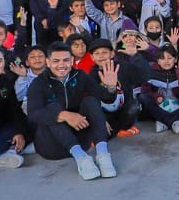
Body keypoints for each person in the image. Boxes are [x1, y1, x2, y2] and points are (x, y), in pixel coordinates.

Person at [26, 45, 121, 181]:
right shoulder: (39, 83)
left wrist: (111, 87)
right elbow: (34, 113)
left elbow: (106, 97)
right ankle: (81, 159)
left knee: (90, 101)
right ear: (48, 62)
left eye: (65, 60)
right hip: (52, 145)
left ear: (72, 60)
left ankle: (103, 155)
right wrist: (65, 115)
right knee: (53, 108)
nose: (61, 65)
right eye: (56, 61)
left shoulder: (80, 76)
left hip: (80, 138)